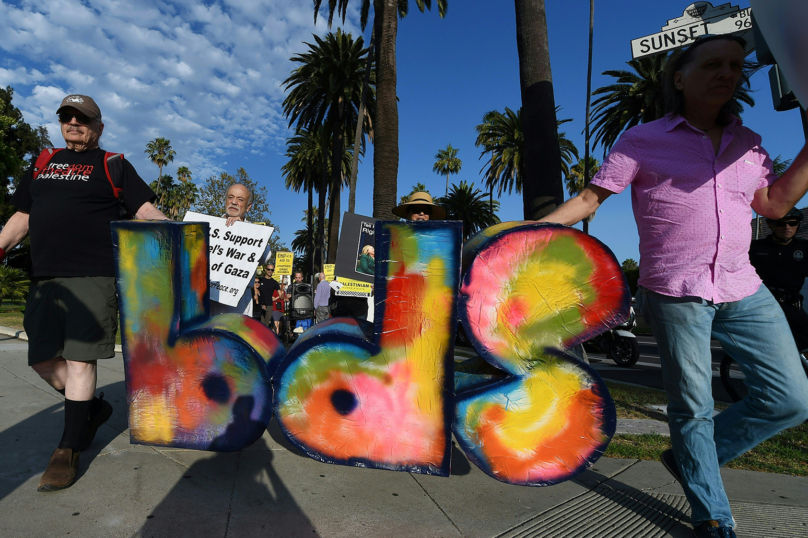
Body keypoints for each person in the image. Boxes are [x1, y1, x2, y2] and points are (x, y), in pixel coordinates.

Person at [537, 36, 808, 538]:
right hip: (675, 290)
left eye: (734, 64)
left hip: (742, 286)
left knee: (793, 398)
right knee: (693, 407)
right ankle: (713, 514)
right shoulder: (643, 139)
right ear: (680, 77)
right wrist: (534, 232)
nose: (728, 72)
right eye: (713, 64)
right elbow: (590, 198)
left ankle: (691, 458)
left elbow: (773, 206)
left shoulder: (749, 144)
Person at [0, 94, 168, 492]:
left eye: (82, 118)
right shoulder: (42, 164)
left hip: (93, 277)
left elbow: (143, 210)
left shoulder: (113, 165)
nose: (73, 123)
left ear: (99, 126)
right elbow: (21, 218)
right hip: (44, 277)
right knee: (42, 359)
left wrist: (178, 233)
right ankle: (90, 410)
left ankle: (67, 449)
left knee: (80, 359)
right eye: (67, 117)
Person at [749, 208, 808, 350]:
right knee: (769, 345)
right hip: (763, 304)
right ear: (771, 225)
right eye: (781, 224)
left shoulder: (805, 248)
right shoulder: (755, 248)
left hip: (792, 304)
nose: (787, 227)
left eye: (792, 223)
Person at [209, 183, 270, 316]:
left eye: (240, 199)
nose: (234, 202)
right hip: (208, 297)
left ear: (248, 207)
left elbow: (265, 257)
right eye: (230, 197)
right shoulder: (209, 226)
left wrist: (242, 229)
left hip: (238, 301)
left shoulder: (255, 232)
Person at [260, 264, 281, 330]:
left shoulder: (274, 282)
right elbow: (254, 288)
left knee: (266, 325)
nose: (270, 271)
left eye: (272, 270)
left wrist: (282, 295)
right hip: (259, 305)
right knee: (260, 324)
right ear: (266, 270)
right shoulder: (260, 280)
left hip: (269, 305)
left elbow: (280, 295)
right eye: (269, 269)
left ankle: (264, 339)